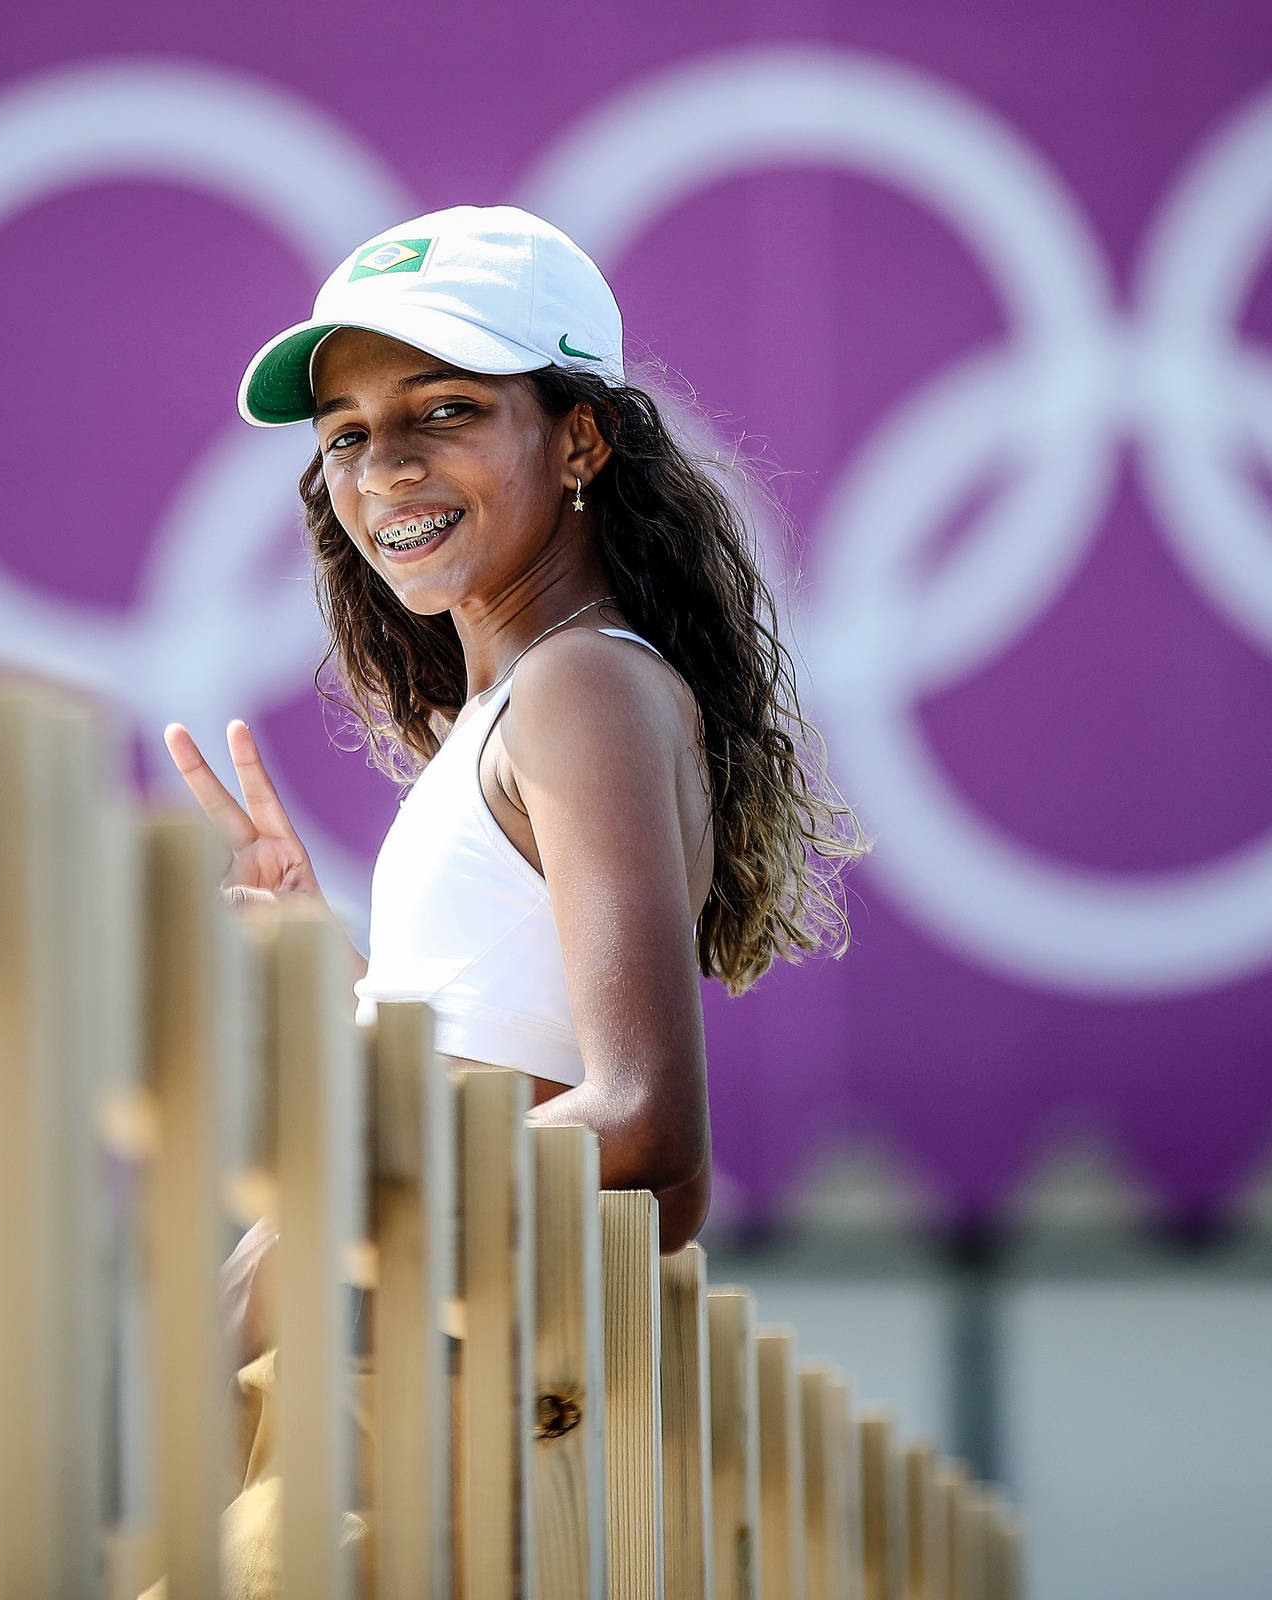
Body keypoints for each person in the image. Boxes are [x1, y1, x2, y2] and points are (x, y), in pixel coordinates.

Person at [165, 203, 860, 1375]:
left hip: (410, 1400)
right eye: (345, 434)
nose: (384, 466)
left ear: (582, 440)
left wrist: (344, 1215)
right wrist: (338, 977)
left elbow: (647, 1127)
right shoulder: (535, 696)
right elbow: (495, 1063)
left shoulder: (579, 683)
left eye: (445, 410)